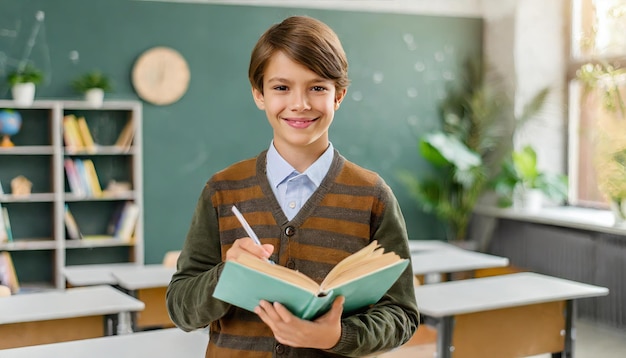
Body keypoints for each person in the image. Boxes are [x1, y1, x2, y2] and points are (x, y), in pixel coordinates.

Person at [166, 15, 419, 357]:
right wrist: (226, 276)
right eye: (281, 87)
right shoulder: (222, 190)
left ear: (339, 95)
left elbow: (401, 315)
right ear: (259, 94)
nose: (300, 103)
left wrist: (337, 336)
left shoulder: (372, 196)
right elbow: (180, 310)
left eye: (317, 88)